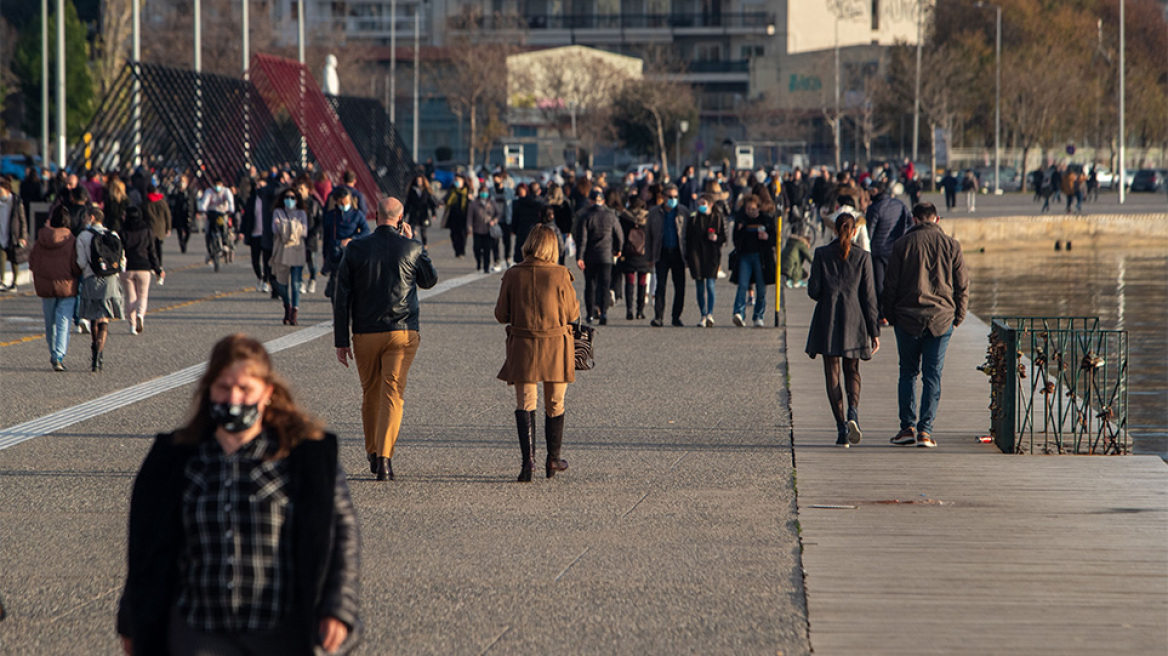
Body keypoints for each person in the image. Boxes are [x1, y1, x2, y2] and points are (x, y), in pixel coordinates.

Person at [116, 334, 361, 656]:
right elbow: (145, 546)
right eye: (223, 387)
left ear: (267, 393)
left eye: (245, 388)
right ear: (208, 391)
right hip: (197, 629)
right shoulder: (176, 459)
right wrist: (132, 619)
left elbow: (342, 536)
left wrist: (337, 609)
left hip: (279, 628)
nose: (233, 398)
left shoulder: (305, 459)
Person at [333, 198, 438, 481]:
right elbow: (429, 280)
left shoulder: (356, 248)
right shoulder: (412, 247)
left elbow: (341, 297)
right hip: (401, 332)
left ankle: (371, 451)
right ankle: (384, 459)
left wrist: (341, 339)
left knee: (370, 392)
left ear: (375, 216)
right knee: (393, 393)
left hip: (365, 332)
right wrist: (417, 244)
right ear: (401, 218)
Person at [494, 224, 579, 482]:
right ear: (553, 247)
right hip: (556, 345)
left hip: (523, 345)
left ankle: (527, 463)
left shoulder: (512, 273)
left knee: (525, 402)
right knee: (555, 403)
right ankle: (552, 459)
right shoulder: (561, 274)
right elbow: (572, 313)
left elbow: (501, 315)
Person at [883, 202, 968, 449]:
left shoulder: (902, 245)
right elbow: (962, 285)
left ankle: (906, 427)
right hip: (941, 319)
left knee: (908, 372)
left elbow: (890, 285)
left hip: (907, 317)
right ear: (936, 219)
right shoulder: (952, 245)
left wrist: (890, 315)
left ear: (914, 219)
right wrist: (959, 316)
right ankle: (925, 431)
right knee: (933, 375)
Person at [805, 212, 880, 447]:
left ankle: (840, 430)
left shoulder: (821, 253)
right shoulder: (863, 257)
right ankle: (853, 414)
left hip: (827, 320)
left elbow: (813, 291)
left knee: (832, 374)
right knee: (853, 370)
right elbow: (869, 297)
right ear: (855, 231)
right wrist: (874, 330)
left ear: (835, 230)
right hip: (854, 320)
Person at [29, 206, 81, 370]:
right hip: (67, 285)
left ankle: (53, 352)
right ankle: (59, 355)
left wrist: (42, 274)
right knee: (64, 321)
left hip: (46, 285)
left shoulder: (41, 239)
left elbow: (33, 261)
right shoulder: (71, 240)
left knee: (50, 321)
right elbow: (76, 264)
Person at [75, 206, 125, 372]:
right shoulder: (113, 235)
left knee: (93, 317)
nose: (84, 220)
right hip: (110, 280)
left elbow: (81, 262)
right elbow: (122, 260)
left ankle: (94, 352)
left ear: (92, 217)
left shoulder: (83, 236)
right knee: (104, 318)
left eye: (85, 217)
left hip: (91, 279)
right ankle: (99, 354)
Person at [573, 188, 623, 326]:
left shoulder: (585, 217)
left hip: (590, 256)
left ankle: (590, 314)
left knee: (590, 285)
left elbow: (581, 239)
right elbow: (619, 234)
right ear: (603, 201)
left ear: (590, 201)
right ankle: (604, 313)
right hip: (606, 256)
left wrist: (579, 256)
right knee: (605, 285)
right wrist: (618, 249)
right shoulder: (611, 216)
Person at [864, 181, 911, 323]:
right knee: (895, 282)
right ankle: (896, 312)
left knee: (880, 284)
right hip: (897, 250)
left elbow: (869, 232)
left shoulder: (875, 208)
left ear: (878, 191)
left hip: (878, 251)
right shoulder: (900, 205)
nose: (868, 194)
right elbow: (910, 222)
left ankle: (883, 315)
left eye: (871, 191)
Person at [644, 183, 688, 327]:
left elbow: (688, 235)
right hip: (661, 252)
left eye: (675, 197)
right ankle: (658, 317)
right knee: (660, 286)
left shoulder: (683, 212)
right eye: (670, 196)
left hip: (678, 253)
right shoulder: (654, 212)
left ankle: (676, 317)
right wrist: (649, 257)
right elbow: (648, 236)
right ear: (663, 197)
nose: (673, 199)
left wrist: (689, 258)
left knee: (680, 287)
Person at [730, 194, 776, 327]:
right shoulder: (741, 220)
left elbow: (774, 239)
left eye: (752, 209)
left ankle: (758, 316)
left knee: (761, 288)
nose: (750, 211)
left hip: (761, 258)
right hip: (745, 256)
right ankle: (739, 313)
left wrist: (766, 237)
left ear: (758, 208)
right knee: (742, 285)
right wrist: (741, 231)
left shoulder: (766, 220)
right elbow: (735, 239)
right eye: (748, 209)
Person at [684, 192, 727, 327]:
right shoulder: (693, 219)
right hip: (696, 255)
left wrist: (716, 238)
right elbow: (688, 238)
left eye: (703, 204)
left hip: (712, 255)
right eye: (699, 204)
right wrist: (688, 257)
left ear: (710, 204)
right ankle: (702, 314)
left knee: (710, 284)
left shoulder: (717, 218)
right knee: (699, 286)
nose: (700, 206)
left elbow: (724, 238)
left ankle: (710, 314)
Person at [119, 206, 162, 335]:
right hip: (144, 266)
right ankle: (140, 315)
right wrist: (157, 268)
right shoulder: (147, 231)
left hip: (127, 267)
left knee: (130, 297)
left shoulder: (122, 232)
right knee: (142, 295)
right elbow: (152, 252)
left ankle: (132, 325)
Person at [321, 187, 369, 298]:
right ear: (336, 201)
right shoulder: (331, 216)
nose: (344, 204)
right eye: (341, 201)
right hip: (335, 253)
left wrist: (352, 239)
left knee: (351, 283)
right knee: (335, 286)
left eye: (346, 201)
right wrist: (325, 255)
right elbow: (326, 237)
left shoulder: (357, 214)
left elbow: (366, 231)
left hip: (351, 253)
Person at [272, 188, 308, 325]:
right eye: (287, 197)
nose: (290, 200)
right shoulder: (278, 211)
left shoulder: (301, 213)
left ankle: (294, 311)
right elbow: (274, 229)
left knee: (295, 283)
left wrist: (284, 226)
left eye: (293, 197)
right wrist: (294, 227)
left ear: (297, 200)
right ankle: (286, 305)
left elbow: (304, 231)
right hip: (282, 251)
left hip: (297, 250)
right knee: (282, 284)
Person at [616, 198, 652, 320]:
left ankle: (629, 309)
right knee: (642, 282)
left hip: (629, 253)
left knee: (629, 282)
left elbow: (620, 236)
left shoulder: (624, 217)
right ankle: (640, 310)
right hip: (643, 253)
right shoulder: (648, 218)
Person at [0, 179, 30, 293]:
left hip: (13, 233)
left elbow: (23, 220)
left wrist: (23, 236)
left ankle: (15, 282)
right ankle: (2, 281)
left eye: (1, 192)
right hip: (1, 233)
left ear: (8, 191)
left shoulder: (16, 202)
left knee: (14, 259)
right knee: (1, 258)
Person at [468, 185, 501, 273]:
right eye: (482, 192)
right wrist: (469, 228)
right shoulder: (474, 204)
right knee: (477, 248)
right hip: (477, 230)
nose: (484, 194)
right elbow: (470, 217)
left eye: (486, 192)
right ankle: (479, 261)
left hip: (488, 230)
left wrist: (494, 221)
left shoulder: (492, 203)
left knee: (487, 249)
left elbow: (498, 214)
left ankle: (486, 267)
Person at [510, 183, 544, 263]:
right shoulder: (539, 203)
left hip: (522, 230)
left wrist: (514, 229)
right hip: (532, 230)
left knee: (521, 255)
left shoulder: (518, 203)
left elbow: (515, 218)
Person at [142, 183, 172, 275]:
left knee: (151, 248)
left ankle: (152, 264)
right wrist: (168, 228)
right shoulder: (162, 202)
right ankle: (159, 264)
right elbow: (168, 216)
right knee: (159, 247)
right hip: (161, 228)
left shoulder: (146, 202)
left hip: (150, 227)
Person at [403, 174, 439, 247]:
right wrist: (404, 214)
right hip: (414, 213)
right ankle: (412, 244)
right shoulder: (412, 190)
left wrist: (433, 213)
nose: (419, 182)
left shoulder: (426, 191)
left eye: (420, 181)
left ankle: (424, 245)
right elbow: (408, 203)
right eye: (417, 180)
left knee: (423, 231)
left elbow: (430, 202)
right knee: (412, 229)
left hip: (423, 213)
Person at [444, 174, 470, 258]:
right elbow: (446, 199)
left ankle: (461, 251)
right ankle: (457, 250)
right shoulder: (452, 190)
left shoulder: (467, 191)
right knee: (453, 235)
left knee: (463, 235)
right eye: (455, 180)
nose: (457, 182)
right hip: (453, 216)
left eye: (458, 180)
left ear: (463, 181)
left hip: (464, 216)